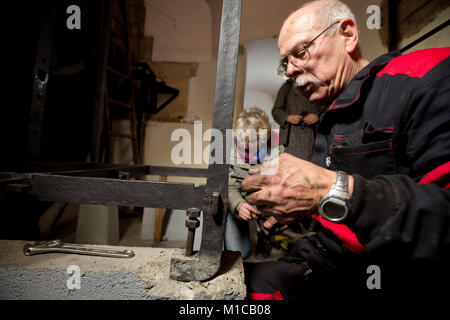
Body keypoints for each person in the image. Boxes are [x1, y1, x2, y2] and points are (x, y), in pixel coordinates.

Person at [241, 0, 450, 299]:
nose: (289, 70)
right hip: (328, 259)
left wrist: (327, 190)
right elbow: (351, 205)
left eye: (300, 52)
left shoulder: (428, 77)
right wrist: (302, 210)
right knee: (236, 289)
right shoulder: (333, 114)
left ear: (348, 35)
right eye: (284, 62)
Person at [225, 107, 284, 260]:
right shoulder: (229, 151)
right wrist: (238, 205)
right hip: (239, 199)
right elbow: (231, 187)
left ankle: (265, 237)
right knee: (239, 253)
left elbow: (282, 189)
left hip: (265, 200)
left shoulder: (277, 153)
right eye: (240, 139)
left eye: (251, 141)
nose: (244, 146)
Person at [272, 79, 324, 160]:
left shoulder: (320, 86)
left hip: (314, 140)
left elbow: (330, 111)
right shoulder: (287, 86)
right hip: (290, 140)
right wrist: (288, 118)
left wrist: (318, 117)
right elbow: (276, 111)